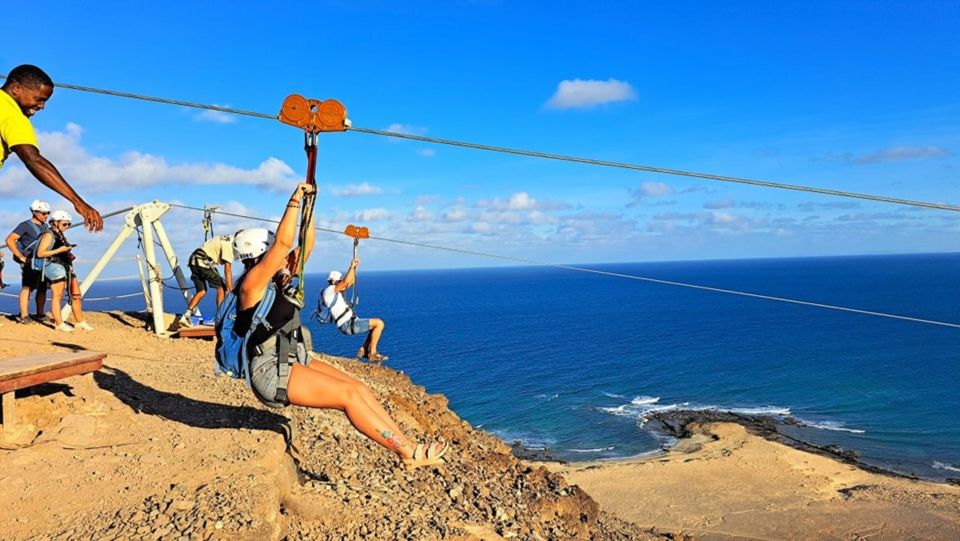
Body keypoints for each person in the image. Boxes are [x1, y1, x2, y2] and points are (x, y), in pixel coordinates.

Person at [231, 182, 447, 469]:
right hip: (270, 372)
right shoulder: (251, 286)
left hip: (290, 358)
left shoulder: (277, 279)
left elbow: (306, 246)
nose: (283, 256)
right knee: (347, 397)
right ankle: (408, 452)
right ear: (260, 254)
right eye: (273, 252)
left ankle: (405, 442)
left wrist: (311, 205)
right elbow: (284, 244)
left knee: (359, 388)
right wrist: (294, 201)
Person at [1, 64, 103, 232]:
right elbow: (33, 160)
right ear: (16, 88)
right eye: (39, 99)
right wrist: (79, 203)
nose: (42, 106)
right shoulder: (13, 116)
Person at [35, 210, 92, 332]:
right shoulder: (48, 235)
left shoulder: (60, 234)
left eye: (68, 224)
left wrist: (67, 253)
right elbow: (40, 253)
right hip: (55, 268)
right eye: (65, 224)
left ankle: (80, 321)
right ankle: (59, 323)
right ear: (55, 222)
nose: (67, 227)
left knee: (76, 294)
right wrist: (60, 250)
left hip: (66, 266)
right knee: (57, 296)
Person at [321, 261, 389, 362]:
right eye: (339, 280)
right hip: (347, 324)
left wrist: (354, 269)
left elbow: (350, 281)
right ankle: (372, 353)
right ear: (335, 281)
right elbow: (346, 282)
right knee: (379, 324)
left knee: (375, 326)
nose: (341, 282)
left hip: (349, 323)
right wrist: (351, 266)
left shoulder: (333, 291)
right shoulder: (330, 291)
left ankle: (364, 349)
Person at [5, 199, 50, 323]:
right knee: (27, 288)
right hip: (30, 261)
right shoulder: (25, 225)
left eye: (47, 213)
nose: (46, 215)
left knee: (42, 288)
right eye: (43, 213)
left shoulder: (46, 226)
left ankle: (40, 314)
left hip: (43, 261)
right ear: (35, 212)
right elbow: (9, 240)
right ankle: (24, 315)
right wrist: (20, 256)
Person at [179, 234, 235, 327]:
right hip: (203, 262)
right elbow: (227, 269)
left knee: (202, 291)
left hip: (193, 261)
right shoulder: (230, 244)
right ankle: (220, 319)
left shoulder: (225, 238)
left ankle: (186, 316)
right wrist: (230, 290)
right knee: (221, 287)